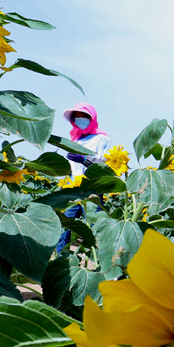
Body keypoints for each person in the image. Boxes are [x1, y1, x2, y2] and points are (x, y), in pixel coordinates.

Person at [56, 103, 112, 254]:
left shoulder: (101, 139)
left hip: (92, 190)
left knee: (96, 231)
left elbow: (105, 166)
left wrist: (85, 159)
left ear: (92, 118)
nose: (80, 119)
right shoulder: (75, 141)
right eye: (77, 117)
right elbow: (73, 169)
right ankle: (61, 261)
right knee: (64, 228)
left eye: (83, 116)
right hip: (73, 191)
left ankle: (100, 262)